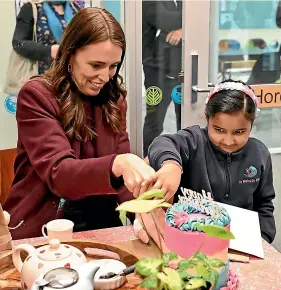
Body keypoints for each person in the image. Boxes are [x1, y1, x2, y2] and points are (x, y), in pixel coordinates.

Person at [4, 7, 156, 240]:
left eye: (113, 66)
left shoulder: (114, 99)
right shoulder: (37, 96)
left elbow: (124, 183)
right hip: (45, 227)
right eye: (96, 65)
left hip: (101, 223)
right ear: (70, 54)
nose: (105, 77)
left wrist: (145, 213)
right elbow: (59, 174)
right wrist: (118, 163)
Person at [146, 79, 276, 244]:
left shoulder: (259, 153)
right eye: (219, 130)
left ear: (252, 122)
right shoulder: (193, 141)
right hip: (190, 239)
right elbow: (162, 143)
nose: (228, 141)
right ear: (207, 117)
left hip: (241, 242)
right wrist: (171, 165)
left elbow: (264, 204)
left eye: (239, 132)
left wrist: (263, 238)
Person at [142, 0, 182, 157]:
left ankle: (184, 160)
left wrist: (184, 29)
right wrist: (188, 23)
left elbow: (203, 19)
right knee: (154, 120)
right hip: (156, 71)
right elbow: (166, 19)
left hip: (181, 70)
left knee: (184, 119)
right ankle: (148, 160)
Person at [13, 0, 80, 75]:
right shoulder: (31, 8)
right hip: (43, 76)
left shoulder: (76, 9)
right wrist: (49, 51)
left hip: (72, 74)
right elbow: (18, 43)